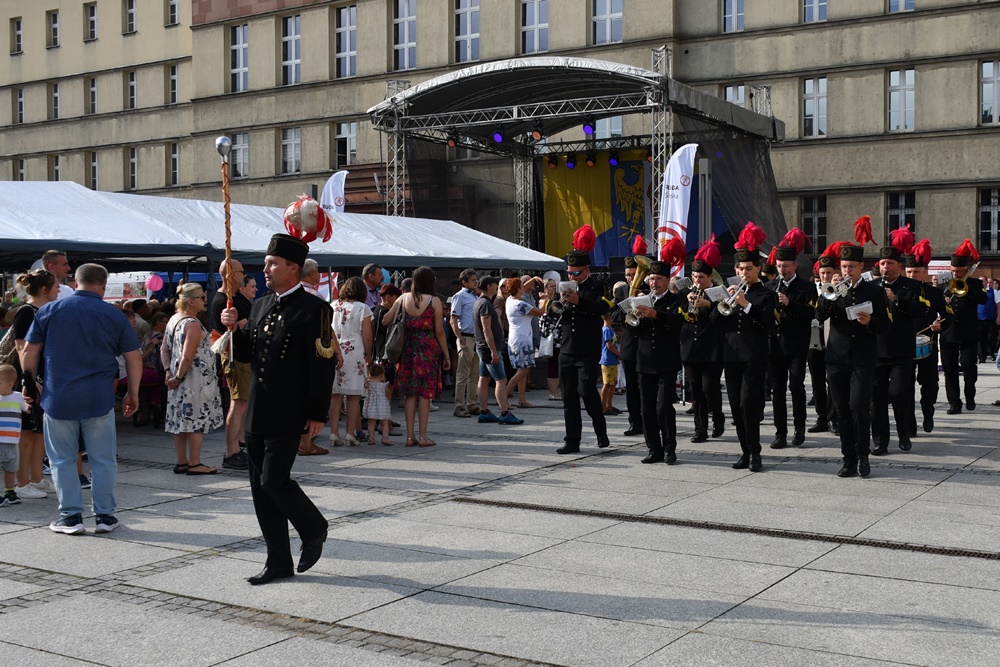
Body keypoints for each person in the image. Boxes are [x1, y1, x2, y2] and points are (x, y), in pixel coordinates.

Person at [220, 233, 336, 585]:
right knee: (260, 488)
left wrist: (317, 413)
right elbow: (246, 355)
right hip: (258, 408)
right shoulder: (259, 305)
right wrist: (232, 329)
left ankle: (314, 527)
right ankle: (278, 561)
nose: (265, 269)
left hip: (290, 409)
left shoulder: (315, 308)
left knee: (274, 480)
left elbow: (322, 363)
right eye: (266, 263)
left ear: (293, 268)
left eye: (272, 263)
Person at [21, 263, 141, 534]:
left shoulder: (49, 310)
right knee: (103, 460)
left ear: (76, 282)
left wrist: (29, 384)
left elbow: (29, 351)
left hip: (58, 395)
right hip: (98, 397)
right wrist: (132, 392)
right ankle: (105, 516)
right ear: (103, 283)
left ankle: (71, 517)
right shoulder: (114, 315)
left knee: (61, 460)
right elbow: (133, 357)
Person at [818, 237, 889, 478]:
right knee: (842, 411)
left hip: (863, 358)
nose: (847, 271)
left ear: (861, 267)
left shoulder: (875, 291)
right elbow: (819, 315)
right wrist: (829, 294)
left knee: (858, 406)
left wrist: (871, 322)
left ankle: (863, 455)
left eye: (852, 267)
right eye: (844, 267)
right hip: (836, 357)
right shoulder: (834, 290)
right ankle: (848, 458)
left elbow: (885, 326)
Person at [712, 223, 775, 471]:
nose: (744, 272)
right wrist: (722, 302)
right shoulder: (731, 292)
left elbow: (768, 321)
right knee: (736, 407)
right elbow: (716, 322)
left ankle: (756, 453)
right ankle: (744, 451)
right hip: (732, 356)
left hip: (754, 358)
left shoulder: (765, 295)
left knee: (749, 405)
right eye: (740, 268)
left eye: (749, 268)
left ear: (757, 269)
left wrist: (746, 304)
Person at [556, 227, 611, 455]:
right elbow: (553, 312)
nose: (572, 277)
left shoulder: (597, 285)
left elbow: (604, 307)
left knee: (586, 391)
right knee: (568, 398)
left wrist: (579, 301)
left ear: (587, 270)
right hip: (567, 349)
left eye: (576, 273)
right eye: (569, 273)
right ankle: (572, 440)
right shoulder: (564, 287)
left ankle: (600, 431)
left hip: (587, 349)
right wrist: (555, 302)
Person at [381, 266, 450, 447]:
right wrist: (447, 354)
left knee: (410, 395)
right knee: (425, 395)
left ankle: (409, 437)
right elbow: (439, 331)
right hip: (428, 350)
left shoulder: (403, 298)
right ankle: (422, 437)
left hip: (408, 350)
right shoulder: (434, 301)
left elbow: (385, 320)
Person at [161, 283, 224, 475]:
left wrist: (168, 372)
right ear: (190, 301)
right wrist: (179, 376)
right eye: (202, 297)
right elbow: (188, 356)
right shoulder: (193, 324)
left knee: (179, 422)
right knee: (196, 421)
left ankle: (182, 462)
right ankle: (195, 463)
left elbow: (164, 349)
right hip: (194, 380)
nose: (205, 301)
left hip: (177, 378)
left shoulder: (174, 319)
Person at [871, 229, 923, 455]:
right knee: (876, 399)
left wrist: (897, 300)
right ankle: (881, 441)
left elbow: (920, 310)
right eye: (883, 263)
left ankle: (903, 433)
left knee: (898, 393)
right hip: (876, 350)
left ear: (899, 266)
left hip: (901, 350)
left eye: (890, 263)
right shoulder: (872, 288)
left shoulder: (911, 287)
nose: (885, 267)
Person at [11, 270, 60, 500]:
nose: (58, 290)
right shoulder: (26, 312)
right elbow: (22, 348)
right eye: (55, 286)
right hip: (28, 379)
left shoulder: (44, 310)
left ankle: (37, 478)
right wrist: (28, 381)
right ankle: (22, 483)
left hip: (42, 377)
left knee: (40, 431)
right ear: (43, 289)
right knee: (27, 433)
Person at [766, 229, 816, 449]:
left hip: (796, 344)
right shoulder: (770, 287)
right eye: (779, 266)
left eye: (786, 266)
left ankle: (799, 428)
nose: (782, 270)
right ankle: (780, 432)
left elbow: (810, 313)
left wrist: (789, 304)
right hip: (774, 346)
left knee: (796, 386)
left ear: (795, 265)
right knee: (777, 390)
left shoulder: (806, 286)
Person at [633, 260, 685, 464]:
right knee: (646, 407)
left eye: (658, 279)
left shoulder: (677, 299)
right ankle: (653, 448)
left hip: (667, 361)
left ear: (667, 280)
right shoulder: (642, 300)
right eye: (652, 279)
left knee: (663, 406)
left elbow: (678, 322)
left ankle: (669, 448)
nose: (654, 283)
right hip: (644, 360)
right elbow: (632, 328)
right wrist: (633, 316)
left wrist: (656, 315)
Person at [681, 237, 725, 443]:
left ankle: (718, 416)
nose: (697, 280)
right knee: (696, 390)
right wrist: (686, 304)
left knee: (710, 388)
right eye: (694, 276)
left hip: (712, 349)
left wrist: (707, 304)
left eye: (701, 277)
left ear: (710, 277)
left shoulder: (718, 295)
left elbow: (724, 319)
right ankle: (700, 429)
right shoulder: (685, 294)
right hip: (691, 349)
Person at [904, 240, 950, 435]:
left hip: (927, 344)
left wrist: (941, 326)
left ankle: (928, 413)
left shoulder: (934, 293)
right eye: (908, 272)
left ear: (924, 272)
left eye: (916, 272)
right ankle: (909, 423)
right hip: (903, 345)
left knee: (929, 383)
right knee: (904, 386)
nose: (912, 275)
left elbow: (949, 316)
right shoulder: (899, 291)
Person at [209, 258, 251, 471]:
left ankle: (239, 445)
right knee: (238, 403)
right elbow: (243, 326)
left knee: (243, 404)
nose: (244, 275)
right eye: (242, 271)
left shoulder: (236, 297)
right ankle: (231, 451)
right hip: (238, 357)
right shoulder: (223, 300)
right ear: (232, 274)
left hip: (246, 356)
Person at [940, 239, 987, 414]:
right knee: (949, 369)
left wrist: (967, 289)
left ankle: (970, 395)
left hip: (968, 331)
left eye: (959, 271)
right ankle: (954, 402)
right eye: (954, 271)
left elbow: (983, 299)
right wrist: (943, 297)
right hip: (948, 333)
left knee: (969, 366)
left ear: (966, 270)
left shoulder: (975, 284)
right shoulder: (943, 285)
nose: (956, 275)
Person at [328, 276, 372, 447]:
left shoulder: (333, 305)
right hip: (355, 352)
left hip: (336, 351)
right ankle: (350, 433)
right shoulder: (363, 308)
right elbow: (367, 336)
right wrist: (369, 354)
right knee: (353, 396)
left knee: (336, 395)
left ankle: (333, 432)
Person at [472, 276, 521, 425]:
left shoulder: (479, 302)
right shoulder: (485, 304)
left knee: (484, 378)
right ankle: (505, 412)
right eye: (495, 284)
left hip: (482, 347)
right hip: (488, 348)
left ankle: (484, 411)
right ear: (489, 286)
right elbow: (487, 329)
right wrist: (493, 350)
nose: (498, 287)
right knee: (501, 380)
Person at [611, 255, 645, 435]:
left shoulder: (647, 290)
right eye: (628, 275)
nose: (631, 278)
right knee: (631, 387)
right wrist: (628, 308)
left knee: (646, 387)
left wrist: (643, 300)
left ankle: (648, 420)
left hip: (647, 346)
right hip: (629, 345)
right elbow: (614, 315)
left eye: (634, 274)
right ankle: (634, 422)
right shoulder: (622, 291)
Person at [808, 248, 840, 435]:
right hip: (814, 340)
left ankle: (832, 418)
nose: (826, 275)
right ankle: (821, 417)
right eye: (823, 273)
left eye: (829, 272)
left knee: (833, 380)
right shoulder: (811, 290)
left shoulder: (839, 287)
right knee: (817, 381)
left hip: (833, 340)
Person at [505, 277, 544, 409]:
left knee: (522, 370)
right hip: (522, 340)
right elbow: (540, 312)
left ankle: (521, 400)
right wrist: (544, 300)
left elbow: (519, 287)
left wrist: (532, 279)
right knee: (522, 371)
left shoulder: (509, 300)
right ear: (519, 289)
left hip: (515, 338)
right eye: (522, 286)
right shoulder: (521, 305)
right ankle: (503, 396)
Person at [450, 269, 480, 418]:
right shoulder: (459, 296)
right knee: (463, 373)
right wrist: (459, 337)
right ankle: (459, 405)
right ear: (464, 282)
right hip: (466, 337)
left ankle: (472, 403)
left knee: (474, 373)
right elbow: (453, 319)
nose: (476, 282)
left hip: (476, 338)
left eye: (476, 279)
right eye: (473, 280)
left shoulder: (476, 296)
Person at [0, 364, 28, 506]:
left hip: (13, 440)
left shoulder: (17, 397)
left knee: (11, 468)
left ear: (10, 384)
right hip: (0, 440)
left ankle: (9, 491)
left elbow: (27, 409)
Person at [539, 277, 562, 401]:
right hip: (551, 337)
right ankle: (553, 392)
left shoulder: (557, 299)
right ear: (545, 288)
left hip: (560, 337)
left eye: (554, 286)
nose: (553, 288)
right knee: (553, 365)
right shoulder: (544, 301)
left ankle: (557, 391)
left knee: (558, 364)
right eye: (550, 286)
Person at [364, 363, 393, 445]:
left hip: (371, 404)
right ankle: (385, 438)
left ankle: (371, 438)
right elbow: (388, 394)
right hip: (382, 405)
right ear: (381, 374)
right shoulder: (384, 385)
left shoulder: (369, 383)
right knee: (384, 423)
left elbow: (365, 390)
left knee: (371, 423)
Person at [599, 312, 620, 415]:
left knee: (613, 383)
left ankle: (609, 405)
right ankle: (603, 407)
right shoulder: (606, 330)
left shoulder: (610, 329)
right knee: (607, 383)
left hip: (612, 359)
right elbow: (609, 346)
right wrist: (619, 354)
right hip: (607, 359)